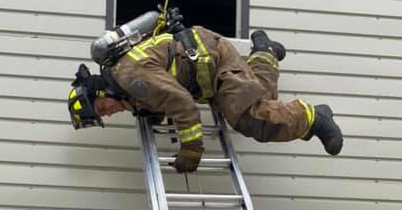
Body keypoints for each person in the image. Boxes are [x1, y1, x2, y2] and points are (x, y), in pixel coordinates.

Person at [68, 20, 343, 173]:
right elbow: (159, 94)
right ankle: (265, 51)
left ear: (101, 92)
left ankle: (315, 118)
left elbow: (180, 102)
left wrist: (191, 149)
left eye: (102, 108)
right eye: (103, 116)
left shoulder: (130, 78)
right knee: (262, 98)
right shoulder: (126, 88)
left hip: (213, 61)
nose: (108, 113)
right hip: (206, 71)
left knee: (249, 117)